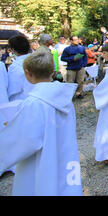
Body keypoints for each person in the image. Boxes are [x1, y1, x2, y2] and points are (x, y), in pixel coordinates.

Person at [0, 52, 82, 195]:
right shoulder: (64, 97)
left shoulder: (34, 103)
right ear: (52, 71)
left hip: (40, 161)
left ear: (28, 73)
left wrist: (14, 126)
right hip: (62, 152)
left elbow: (26, 140)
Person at [7, 35, 33, 102]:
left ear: (13, 50)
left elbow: (13, 88)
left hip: (21, 100)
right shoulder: (37, 61)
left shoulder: (15, 66)